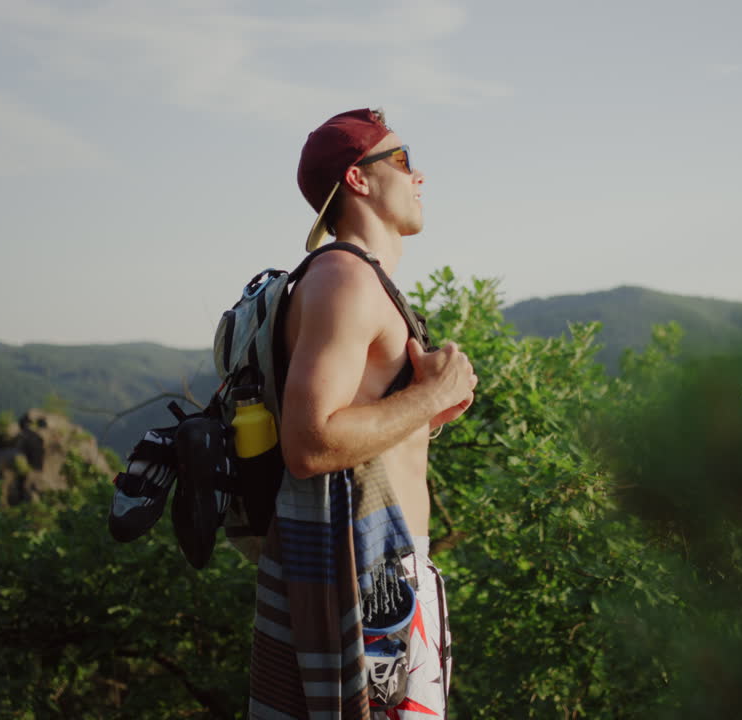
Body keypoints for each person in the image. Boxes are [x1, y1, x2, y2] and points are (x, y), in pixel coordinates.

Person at [248, 108, 477, 720]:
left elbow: (354, 427)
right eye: (402, 160)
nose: (419, 174)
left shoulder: (363, 281)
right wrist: (430, 393)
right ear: (357, 179)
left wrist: (426, 412)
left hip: (387, 565)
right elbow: (311, 442)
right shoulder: (344, 280)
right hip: (369, 579)